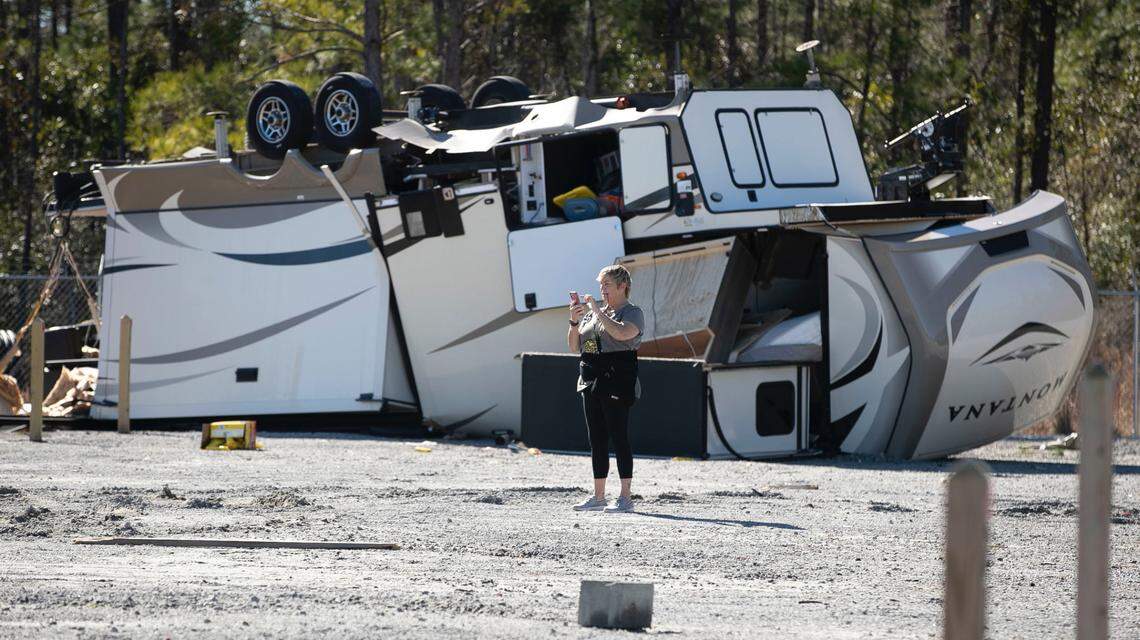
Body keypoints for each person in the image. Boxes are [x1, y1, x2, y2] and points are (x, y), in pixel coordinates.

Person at [567, 264, 644, 513]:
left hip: (618, 379)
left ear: (623, 286)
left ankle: (625, 497)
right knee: (597, 438)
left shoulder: (632, 312)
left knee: (619, 436)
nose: (602, 290)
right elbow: (577, 346)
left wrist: (597, 311)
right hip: (591, 379)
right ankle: (598, 496)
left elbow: (622, 335)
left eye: (607, 285)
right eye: (600, 285)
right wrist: (574, 321)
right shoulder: (594, 314)